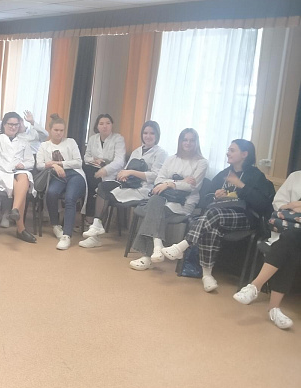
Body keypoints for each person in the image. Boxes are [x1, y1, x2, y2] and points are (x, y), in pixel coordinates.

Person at [160, 139, 275, 291]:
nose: (228, 153)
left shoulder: (256, 175)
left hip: (245, 217)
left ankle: (183, 245)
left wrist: (241, 185)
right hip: (219, 215)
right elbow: (205, 200)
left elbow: (263, 204)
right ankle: (207, 275)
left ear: (244, 154)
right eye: (228, 150)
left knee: (213, 215)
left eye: (232, 150)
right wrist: (215, 196)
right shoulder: (224, 174)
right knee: (212, 226)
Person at [128, 128, 208, 271]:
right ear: (180, 141)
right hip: (164, 198)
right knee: (155, 202)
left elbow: (192, 187)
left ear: (197, 142)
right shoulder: (171, 159)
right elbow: (158, 180)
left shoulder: (201, 162)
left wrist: (170, 183)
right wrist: (179, 181)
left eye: (192, 140)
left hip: (184, 202)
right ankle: (157, 246)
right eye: (185, 139)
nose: (188, 143)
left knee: (154, 208)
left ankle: (148, 256)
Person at [80, 121, 168, 248]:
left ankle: (95, 235)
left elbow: (155, 176)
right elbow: (126, 168)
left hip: (143, 189)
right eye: (145, 133)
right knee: (103, 187)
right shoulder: (137, 151)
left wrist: (131, 172)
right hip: (128, 185)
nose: (148, 136)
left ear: (157, 135)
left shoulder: (161, 153)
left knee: (106, 197)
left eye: (152, 133)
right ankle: (96, 226)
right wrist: (123, 175)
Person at [233, 171, 301, 329]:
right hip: (290, 232)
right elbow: (278, 203)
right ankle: (272, 307)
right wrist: (292, 206)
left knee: (290, 241)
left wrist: (296, 206)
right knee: (291, 241)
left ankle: (255, 287)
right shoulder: (296, 176)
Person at [0, 99, 36, 243]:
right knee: (22, 190)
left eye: (16, 124)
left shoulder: (23, 141)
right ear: (4, 124)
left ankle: (14, 210)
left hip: (18, 172)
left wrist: (22, 164)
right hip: (1, 172)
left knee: (24, 176)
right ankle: (21, 228)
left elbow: (30, 162)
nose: (13, 127)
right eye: (10, 124)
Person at [35, 114, 87, 250]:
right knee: (51, 193)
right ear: (50, 130)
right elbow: (39, 165)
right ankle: (55, 225)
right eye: (56, 130)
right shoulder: (44, 145)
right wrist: (53, 165)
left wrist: (59, 163)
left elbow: (78, 162)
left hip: (75, 175)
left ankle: (66, 235)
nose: (59, 133)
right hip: (57, 176)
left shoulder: (71, 142)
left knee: (70, 198)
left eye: (61, 130)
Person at [83, 114, 126, 218]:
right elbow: (86, 157)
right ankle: (91, 216)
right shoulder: (93, 139)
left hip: (112, 173)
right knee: (85, 174)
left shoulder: (118, 139)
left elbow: (120, 161)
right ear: (97, 126)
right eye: (101, 124)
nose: (104, 126)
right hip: (94, 169)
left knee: (91, 182)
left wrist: (105, 170)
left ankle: (92, 217)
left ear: (112, 125)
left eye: (108, 123)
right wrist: (94, 160)